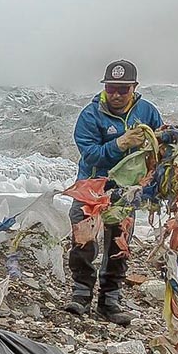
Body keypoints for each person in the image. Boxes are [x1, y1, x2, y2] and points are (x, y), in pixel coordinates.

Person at [69, 59, 163, 326]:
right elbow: (90, 154)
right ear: (104, 87)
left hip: (126, 191)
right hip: (92, 186)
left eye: (123, 89)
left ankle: (110, 300)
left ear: (134, 87)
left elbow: (159, 147)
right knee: (83, 240)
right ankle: (81, 294)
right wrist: (120, 143)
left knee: (119, 243)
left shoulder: (147, 112)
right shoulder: (90, 115)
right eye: (112, 87)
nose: (117, 94)